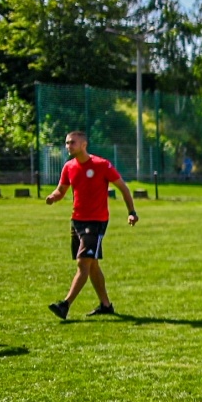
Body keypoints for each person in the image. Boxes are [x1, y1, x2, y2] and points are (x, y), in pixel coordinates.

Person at [46, 131, 138, 319]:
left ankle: (65, 304)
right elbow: (61, 190)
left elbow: (123, 187)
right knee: (92, 264)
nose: (68, 146)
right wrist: (53, 197)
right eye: (66, 143)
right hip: (77, 221)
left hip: (96, 222)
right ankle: (106, 305)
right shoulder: (68, 167)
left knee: (83, 263)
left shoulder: (101, 165)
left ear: (84, 144)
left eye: (72, 142)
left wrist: (131, 212)